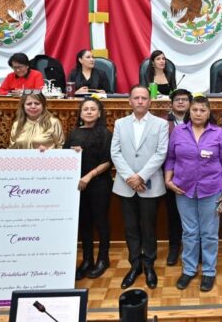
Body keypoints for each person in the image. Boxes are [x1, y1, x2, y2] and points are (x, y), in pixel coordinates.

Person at [165, 96, 222, 292]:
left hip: (212, 190)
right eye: (195, 110)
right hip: (183, 190)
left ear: (209, 112)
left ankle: (209, 272)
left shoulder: (218, 133)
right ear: (189, 111)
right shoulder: (178, 131)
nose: (198, 114)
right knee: (189, 232)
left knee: (209, 233)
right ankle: (189, 269)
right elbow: (170, 158)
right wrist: (168, 181)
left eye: (202, 110)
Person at [110, 85, 169, 289]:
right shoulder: (120, 123)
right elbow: (115, 152)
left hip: (150, 184)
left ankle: (149, 265)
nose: (141, 101)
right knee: (131, 228)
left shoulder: (160, 124)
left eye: (144, 98)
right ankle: (135, 265)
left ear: (150, 101)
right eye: (137, 98)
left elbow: (161, 153)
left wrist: (141, 176)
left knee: (149, 227)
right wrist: (130, 177)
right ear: (130, 101)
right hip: (125, 185)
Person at [64, 98, 113, 280]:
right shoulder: (74, 133)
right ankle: (87, 260)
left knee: (101, 222)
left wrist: (89, 176)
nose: (90, 112)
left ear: (99, 113)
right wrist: (73, 153)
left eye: (93, 109)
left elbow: (108, 161)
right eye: (86, 109)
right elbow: (65, 156)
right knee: (84, 224)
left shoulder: (105, 133)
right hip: (78, 185)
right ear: (80, 113)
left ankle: (103, 258)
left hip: (99, 183)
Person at [164, 88, 192, 266]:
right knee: (173, 214)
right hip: (170, 175)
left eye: (184, 100)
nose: (181, 102)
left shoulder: (197, 120)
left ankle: (193, 248)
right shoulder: (163, 122)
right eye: (177, 100)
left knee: (192, 216)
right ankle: (174, 247)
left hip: (193, 175)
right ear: (171, 104)